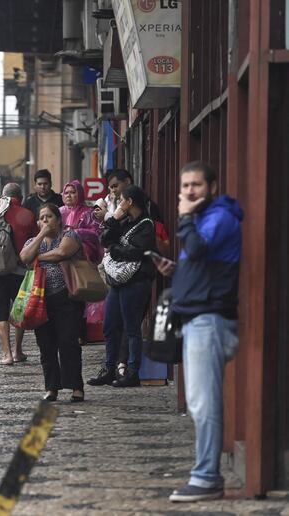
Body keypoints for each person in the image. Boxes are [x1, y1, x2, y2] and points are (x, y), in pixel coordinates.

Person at [152, 161, 242, 503]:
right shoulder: (203, 219)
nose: (190, 191)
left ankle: (206, 478)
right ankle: (206, 475)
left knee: (204, 404)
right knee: (199, 402)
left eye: (197, 186)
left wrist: (185, 216)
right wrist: (176, 271)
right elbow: (203, 264)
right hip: (197, 317)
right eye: (185, 185)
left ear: (213, 187)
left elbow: (201, 248)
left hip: (209, 320)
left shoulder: (219, 217)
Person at [88, 185, 156, 388]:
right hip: (118, 281)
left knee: (131, 328)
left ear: (130, 202)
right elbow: (104, 239)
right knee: (110, 326)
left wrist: (116, 250)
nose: (119, 203)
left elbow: (138, 251)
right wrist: (114, 219)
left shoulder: (146, 225)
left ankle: (132, 372)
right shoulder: (125, 221)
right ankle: (109, 369)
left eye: (122, 200)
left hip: (137, 281)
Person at [19, 203, 86, 402]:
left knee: (68, 342)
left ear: (58, 219)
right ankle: (51, 387)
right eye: (42, 218)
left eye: (49, 216)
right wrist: (41, 235)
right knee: (46, 345)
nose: (45, 220)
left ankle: (76, 386)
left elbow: (62, 253)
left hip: (66, 297)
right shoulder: (34, 240)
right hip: (40, 301)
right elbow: (23, 257)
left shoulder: (69, 235)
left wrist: (37, 258)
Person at [0, 183, 36, 365]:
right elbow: (34, 242)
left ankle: (6, 354)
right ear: (20, 197)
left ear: (3, 195)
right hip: (20, 270)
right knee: (19, 310)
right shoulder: (28, 214)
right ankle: (18, 351)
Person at [60, 179, 104, 264]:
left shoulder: (89, 212)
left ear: (79, 194)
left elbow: (96, 233)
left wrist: (77, 233)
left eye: (73, 192)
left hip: (82, 253)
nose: (68, 195)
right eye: (66, 193)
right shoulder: (59, 211)